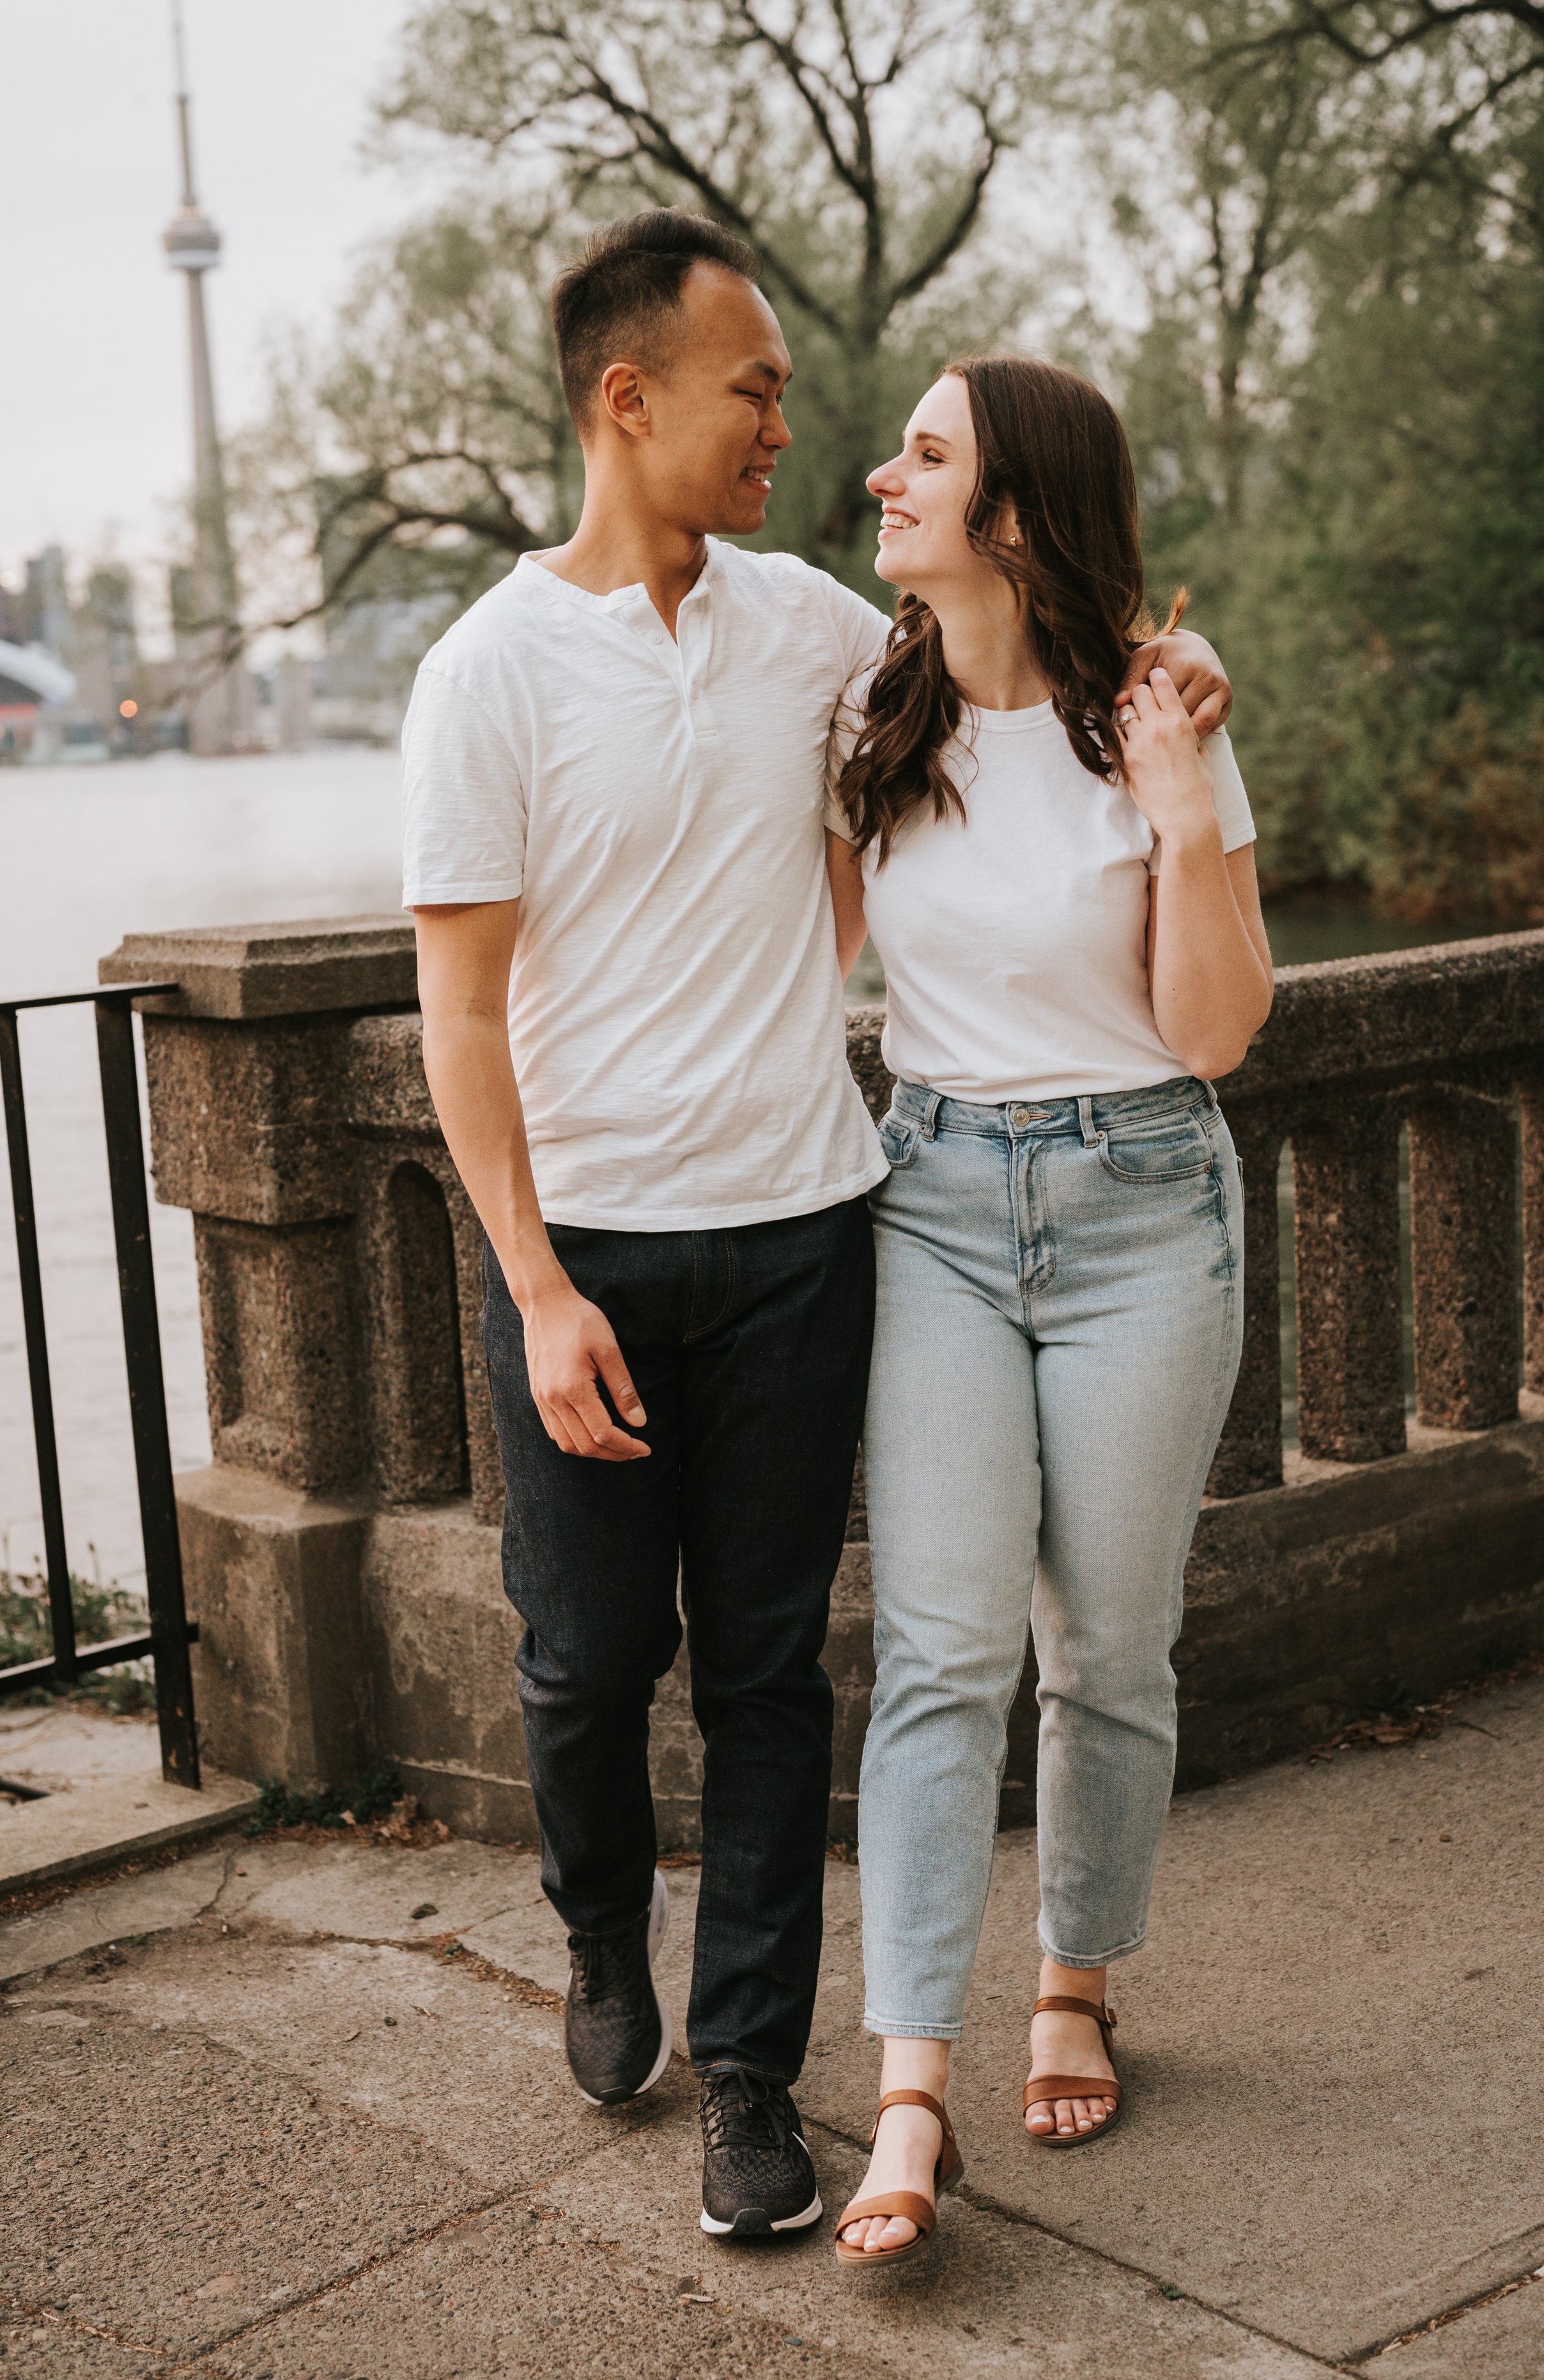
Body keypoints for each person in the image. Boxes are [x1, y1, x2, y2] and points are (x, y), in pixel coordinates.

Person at [402, 210, 1236, 2244]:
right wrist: (531, 1286)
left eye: (851, 418)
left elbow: (1089, 888)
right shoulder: (510, 674)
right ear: (631, 400)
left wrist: (1182, 727)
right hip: (662, 1244)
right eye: (756, 390)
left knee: (824, 1671)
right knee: (595, 1671)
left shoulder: (825, 638)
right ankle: (607, 1940)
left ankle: (789, 2084)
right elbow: (465, 1007)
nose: (811, 431)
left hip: (842, 1230)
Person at [826, 356, 1274, 2265]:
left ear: (1011, 514)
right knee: (936, 1648)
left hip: (1141, 1201)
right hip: (930, 1195)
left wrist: (1177, 809)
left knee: (1104, 1644)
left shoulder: (1149, 717)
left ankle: (1076, 1982)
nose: (877, 472)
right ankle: (909, 2082)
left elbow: (1215, 1032)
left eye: (921, 455)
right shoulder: (865, 702)